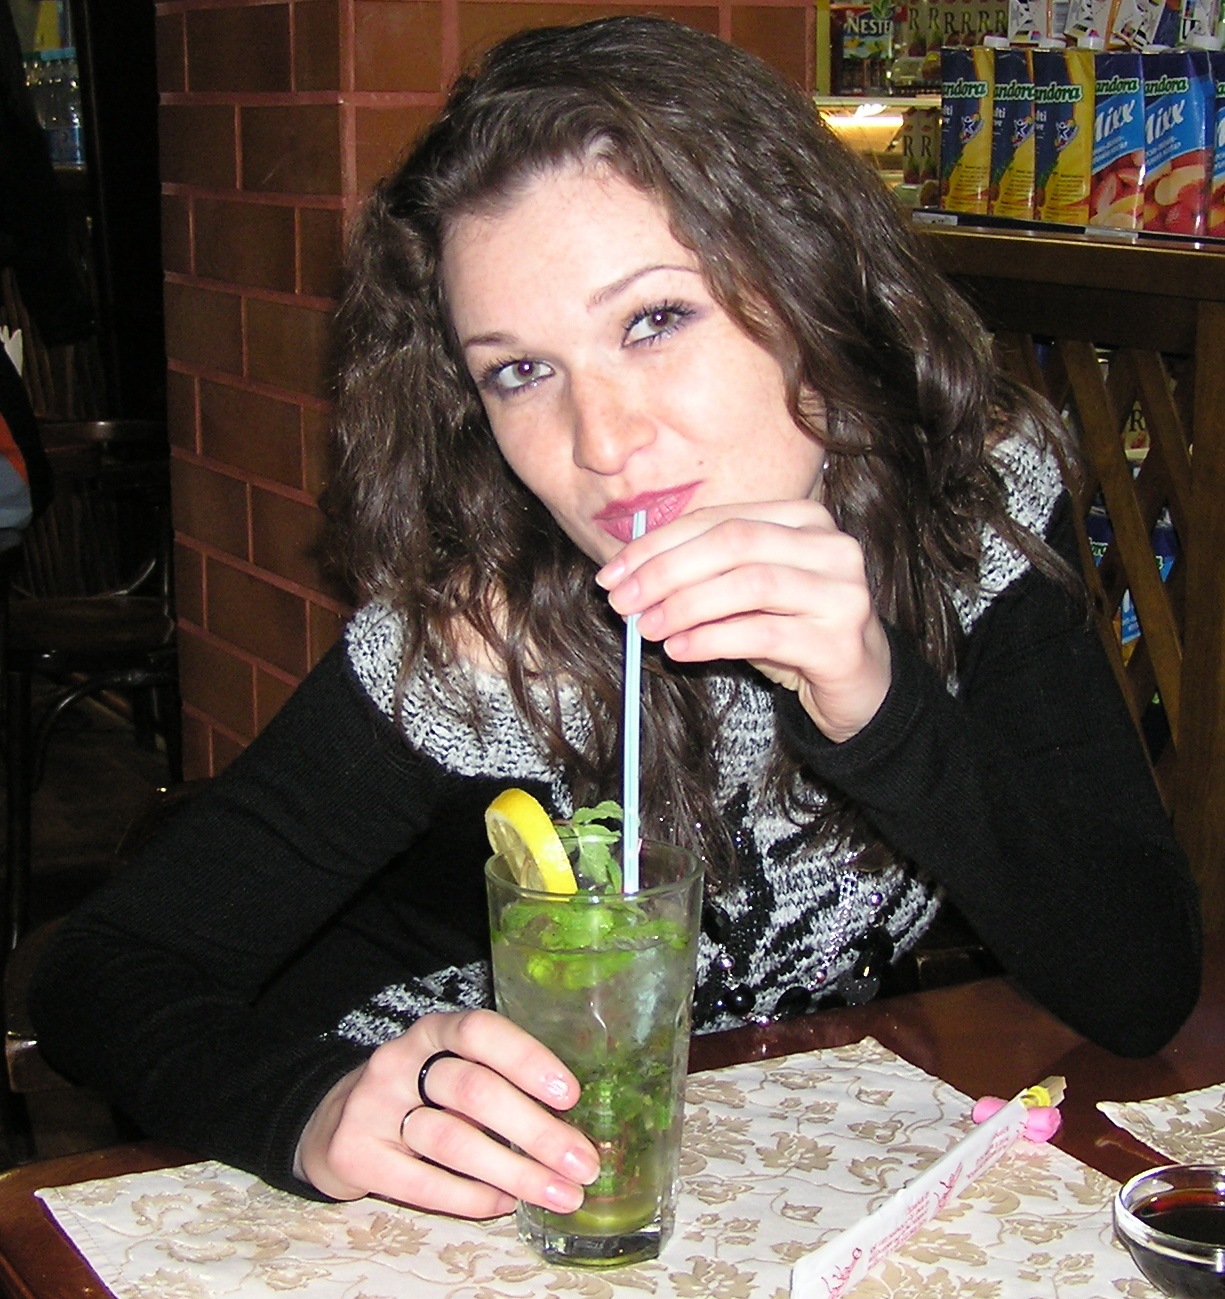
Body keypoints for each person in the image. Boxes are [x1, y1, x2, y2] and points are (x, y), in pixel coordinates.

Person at [31, 15, 1199, 1224]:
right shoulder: (479, 648)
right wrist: (311, 1109)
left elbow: (1140, 986)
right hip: (438, 1219)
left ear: (810, 280)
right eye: (520, 371)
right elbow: (100, 974)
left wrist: (879, 704)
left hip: (736, 1183)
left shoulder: (965, 523)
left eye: (654, 320)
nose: (600, 444)